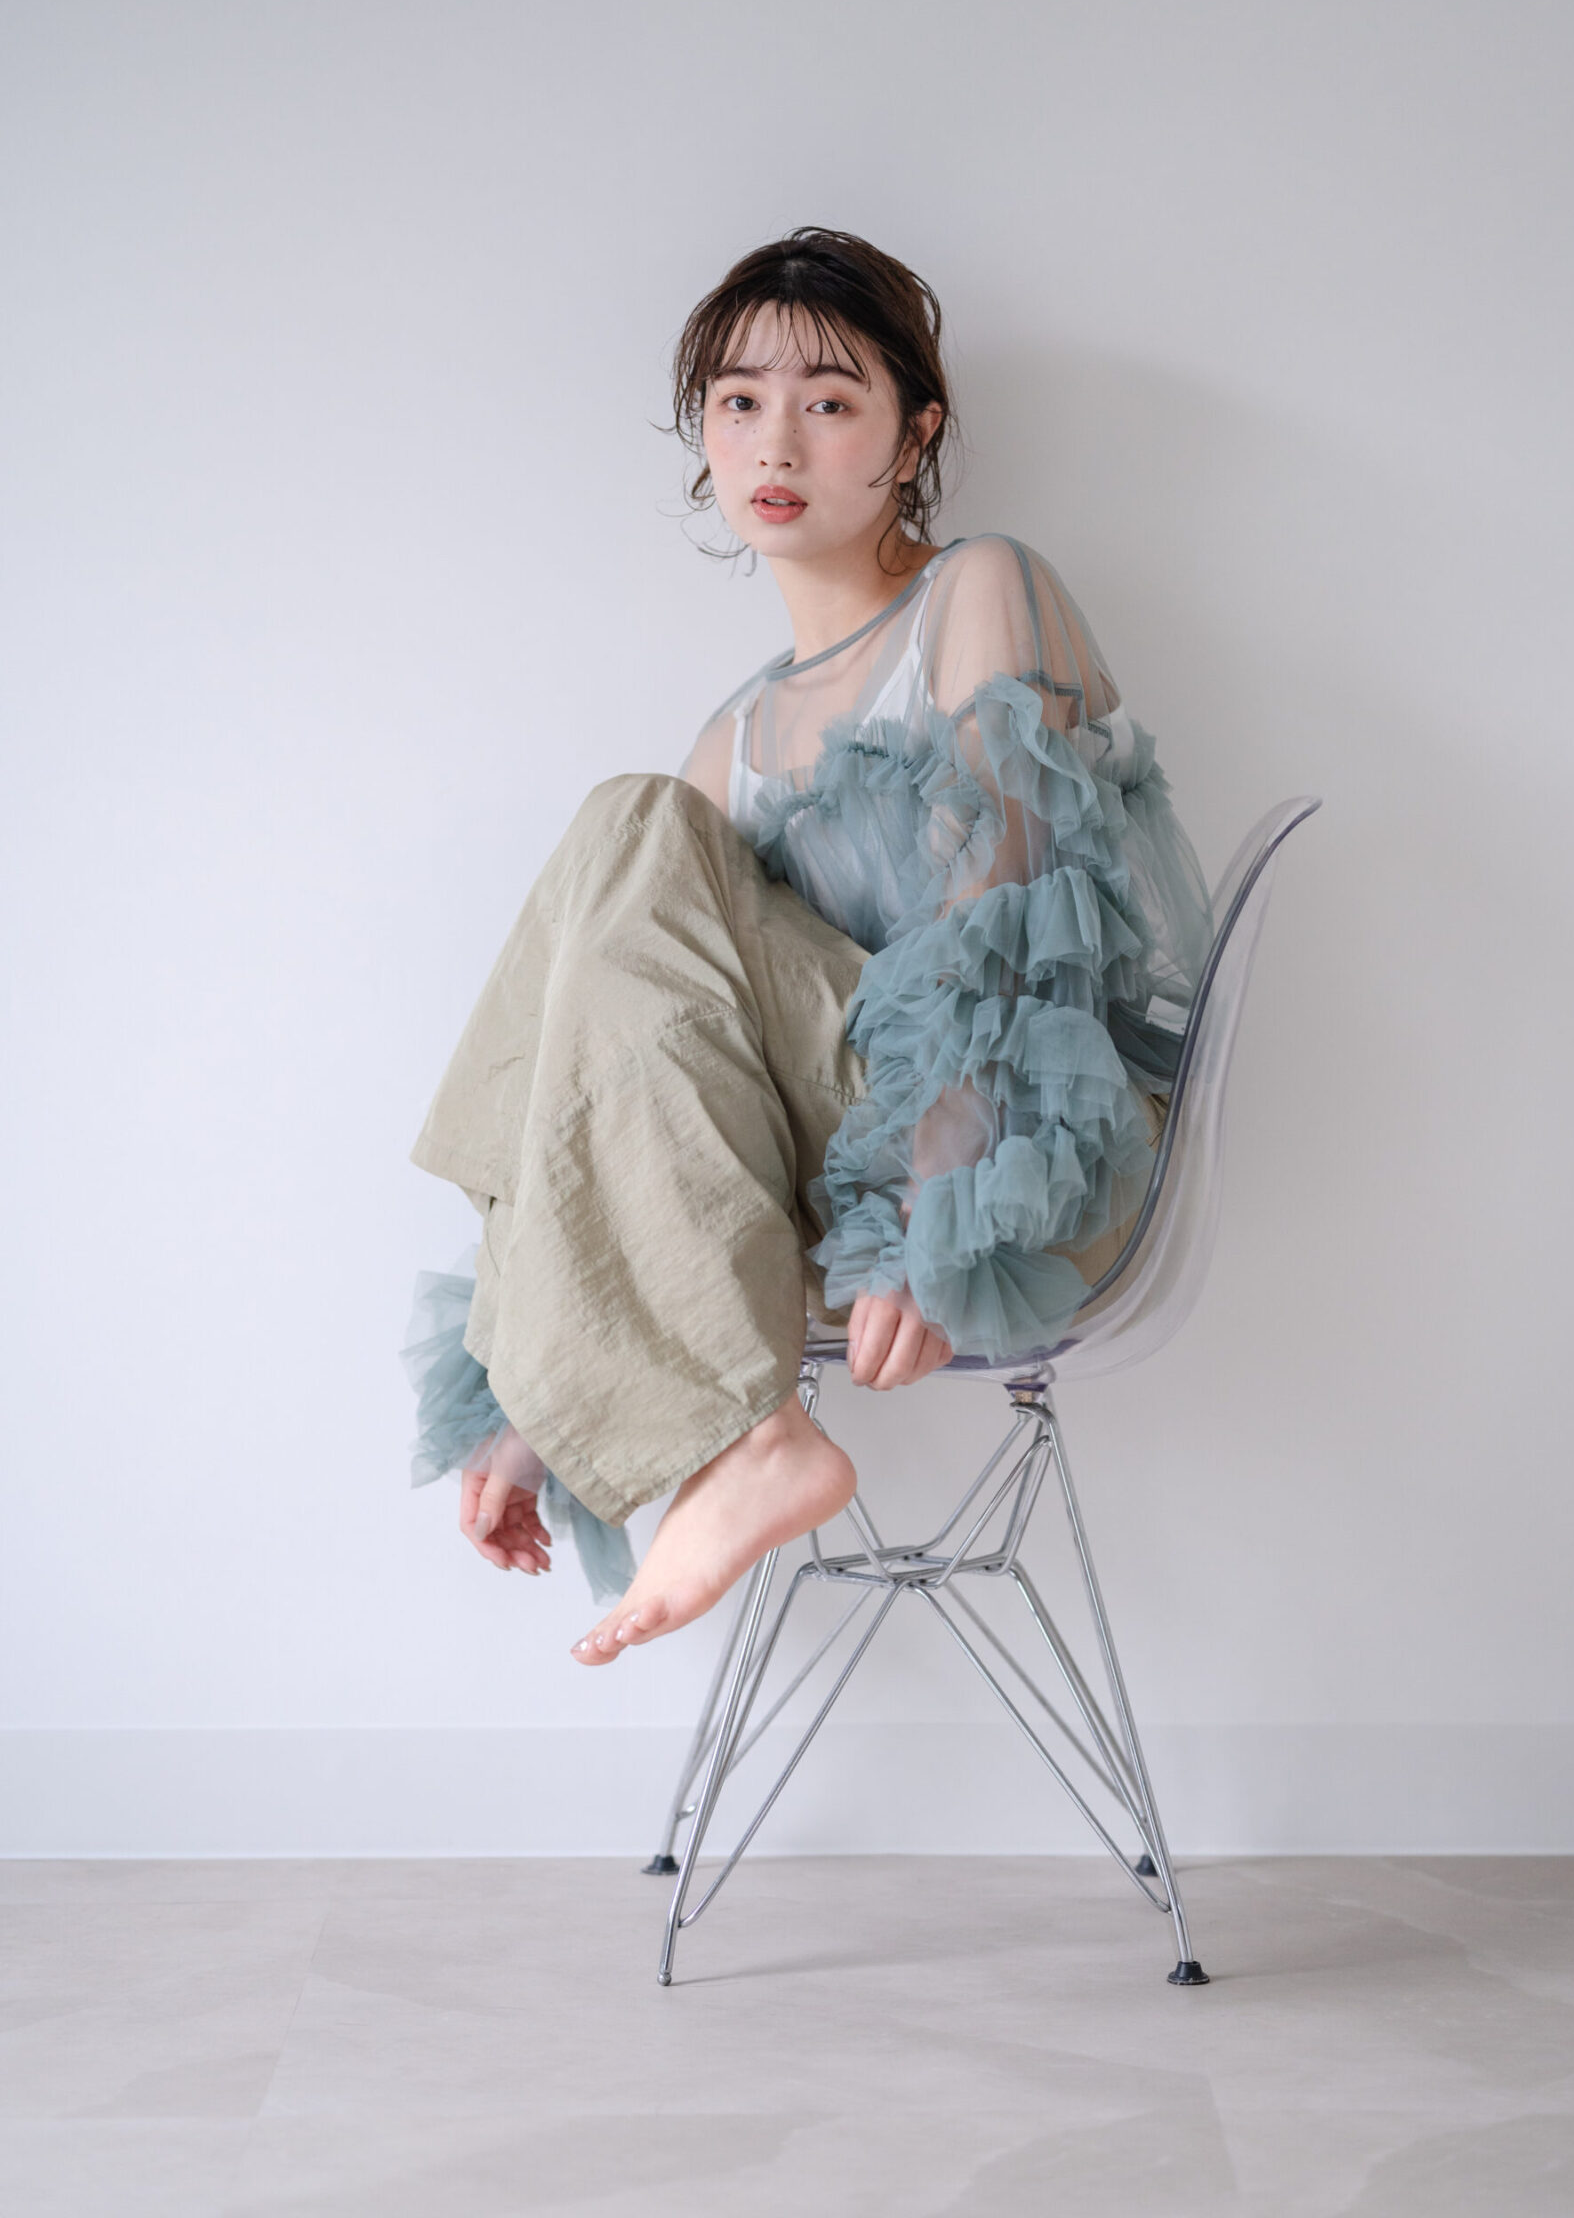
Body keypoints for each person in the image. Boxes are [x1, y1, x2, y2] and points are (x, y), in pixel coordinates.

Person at [402, 227, 1211, 1668]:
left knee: (632, 826)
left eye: (831, 402)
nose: (776, 441)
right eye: (738, 402)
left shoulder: (981, 591)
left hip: (1021, 1158)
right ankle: (740, 1429)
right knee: (627, 838)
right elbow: (623, 1065)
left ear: (916, 435)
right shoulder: (732, 738)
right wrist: (523, 1399)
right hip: (813, 1189)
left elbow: (1020, 930)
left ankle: (749, 1440)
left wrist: (932, 1214)